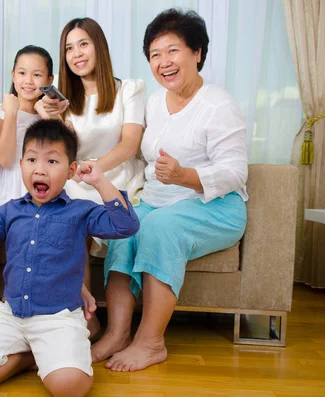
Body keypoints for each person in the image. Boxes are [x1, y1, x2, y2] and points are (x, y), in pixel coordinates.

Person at [93, 8, 249, 371]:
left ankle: (150, 343)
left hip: (214, 205)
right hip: (157, 201)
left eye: (173, 50)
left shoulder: (219, 105)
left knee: (159, 229)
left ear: (197, 53)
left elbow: (236, 173)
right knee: (122, 230)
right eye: (155, 54)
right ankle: (118, 333)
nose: (164, 62)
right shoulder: (153, 103)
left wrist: (185, 176)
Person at [0, 119, 139, 397]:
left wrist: (99, 180)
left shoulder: (81, 211)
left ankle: (48, 357)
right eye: (31, 160)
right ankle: (32, 358)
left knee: (69, 388)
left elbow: (126, 226)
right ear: (21, 164)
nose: (39, 168)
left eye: (52, 161)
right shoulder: (9, 211)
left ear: (72, 169)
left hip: (59, 319)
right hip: (11, 316)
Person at [39, 17, 146, 335]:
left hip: (116, 176)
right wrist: (54, 119)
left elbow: (130, 143)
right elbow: (67, 151)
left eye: (83, 43)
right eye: (69, 48)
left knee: (87, 209)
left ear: (99, 46)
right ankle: (84, 318)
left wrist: (97, 169)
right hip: (77, 176)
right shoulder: (62, 100)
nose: (76, 53)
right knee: (71, 217)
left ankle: (109, 323)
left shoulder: (128, 89)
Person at [0, 45, 55, 331]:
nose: (28, 80)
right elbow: (5, 158)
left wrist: (47, 118)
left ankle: (18, 309)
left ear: (50, 79)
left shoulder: (49, 115)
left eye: (36, 74)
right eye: (21, 73)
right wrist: (10, 114)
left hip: (32, 194)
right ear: (12, 74)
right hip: (0, 192)